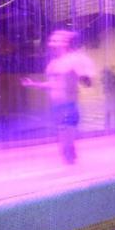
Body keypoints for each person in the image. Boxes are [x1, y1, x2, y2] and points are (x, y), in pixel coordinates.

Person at [21, 30, 95, 163]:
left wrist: (83, 76)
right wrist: (34, 84)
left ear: (65, 42)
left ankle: (72, 160)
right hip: (56, 107)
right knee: (64, 146)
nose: (51, 43)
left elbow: (88, 83)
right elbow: (52, 84)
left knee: (66, 147)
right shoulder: (53, 64)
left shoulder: (74, 60)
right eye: (51, 40)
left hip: (68, 106)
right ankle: (71, 157)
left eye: (55, 40)